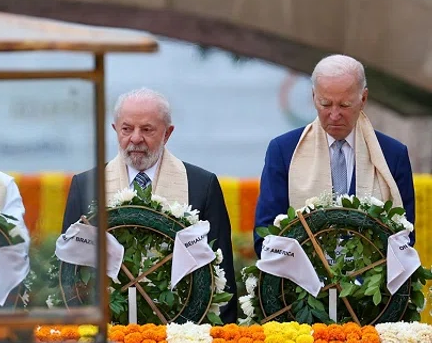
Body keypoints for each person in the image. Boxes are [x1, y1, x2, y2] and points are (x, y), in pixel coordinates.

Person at [62, 88, 237, 322]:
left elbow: (221, 273)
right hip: (107, 329)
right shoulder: (86, 186)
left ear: (167, 134)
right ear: (115, 130)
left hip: (184, 331)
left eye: (147, 130)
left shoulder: (201, 185)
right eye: (126, 129)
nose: (135, 139)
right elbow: (70, 270)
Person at [254, 54, 415, 254]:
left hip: (372, 281)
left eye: (345, 105)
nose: (335, 115)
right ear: (313, 97)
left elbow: (405, 235)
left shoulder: (392, 154)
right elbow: (265, 236)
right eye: (325, 104)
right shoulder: (284, 151)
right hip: (303, 281)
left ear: (363, 99)